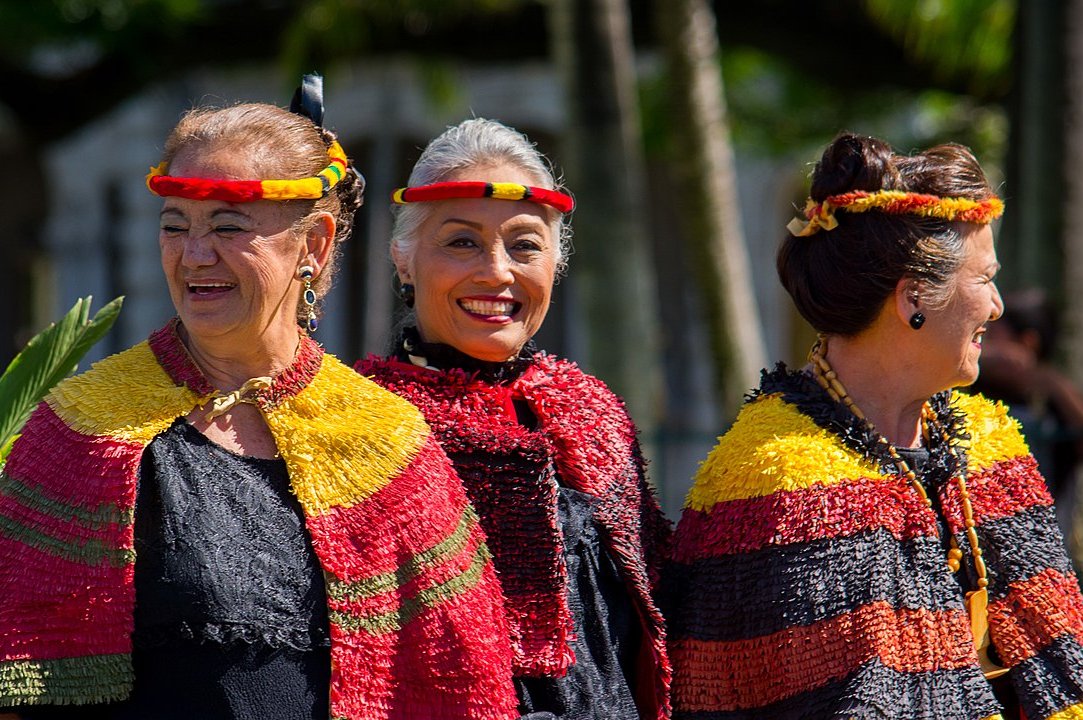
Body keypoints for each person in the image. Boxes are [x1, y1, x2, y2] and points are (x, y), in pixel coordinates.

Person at [0, 79, 519, 720]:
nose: (195, 254)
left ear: (315, 244)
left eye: (228, 224)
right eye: (175, 225)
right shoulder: (79, 429)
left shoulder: (386, 441)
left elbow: (461, 683)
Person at [666, 133, 1083, 720]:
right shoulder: (776, 484)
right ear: (913, 295)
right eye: (984, 278)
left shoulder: (991, 448)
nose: (996, 307)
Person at [356, 118, 672, 720]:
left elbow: (655, 619)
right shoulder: (363, 423)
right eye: (461, 242)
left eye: (525, 245)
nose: (497, 272)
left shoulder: (591, 409)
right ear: (404, 259)